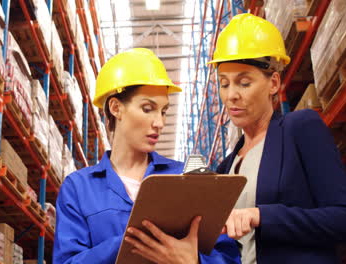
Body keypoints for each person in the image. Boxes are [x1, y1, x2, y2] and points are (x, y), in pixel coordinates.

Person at [53, 48, 241, 263]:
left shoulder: (188, 177)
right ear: (116, 108)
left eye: (163, 111)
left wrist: (194, 261)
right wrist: (130, 242)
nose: (159, 123)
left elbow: (229, 257)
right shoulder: (78, 188)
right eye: (147, 108)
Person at [209, 13, 346, 264]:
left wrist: (262, 216)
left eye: (244, 83)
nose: (231, 95)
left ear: (273, 83)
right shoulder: (226, 167)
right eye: (224, 84)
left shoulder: (300, 129)